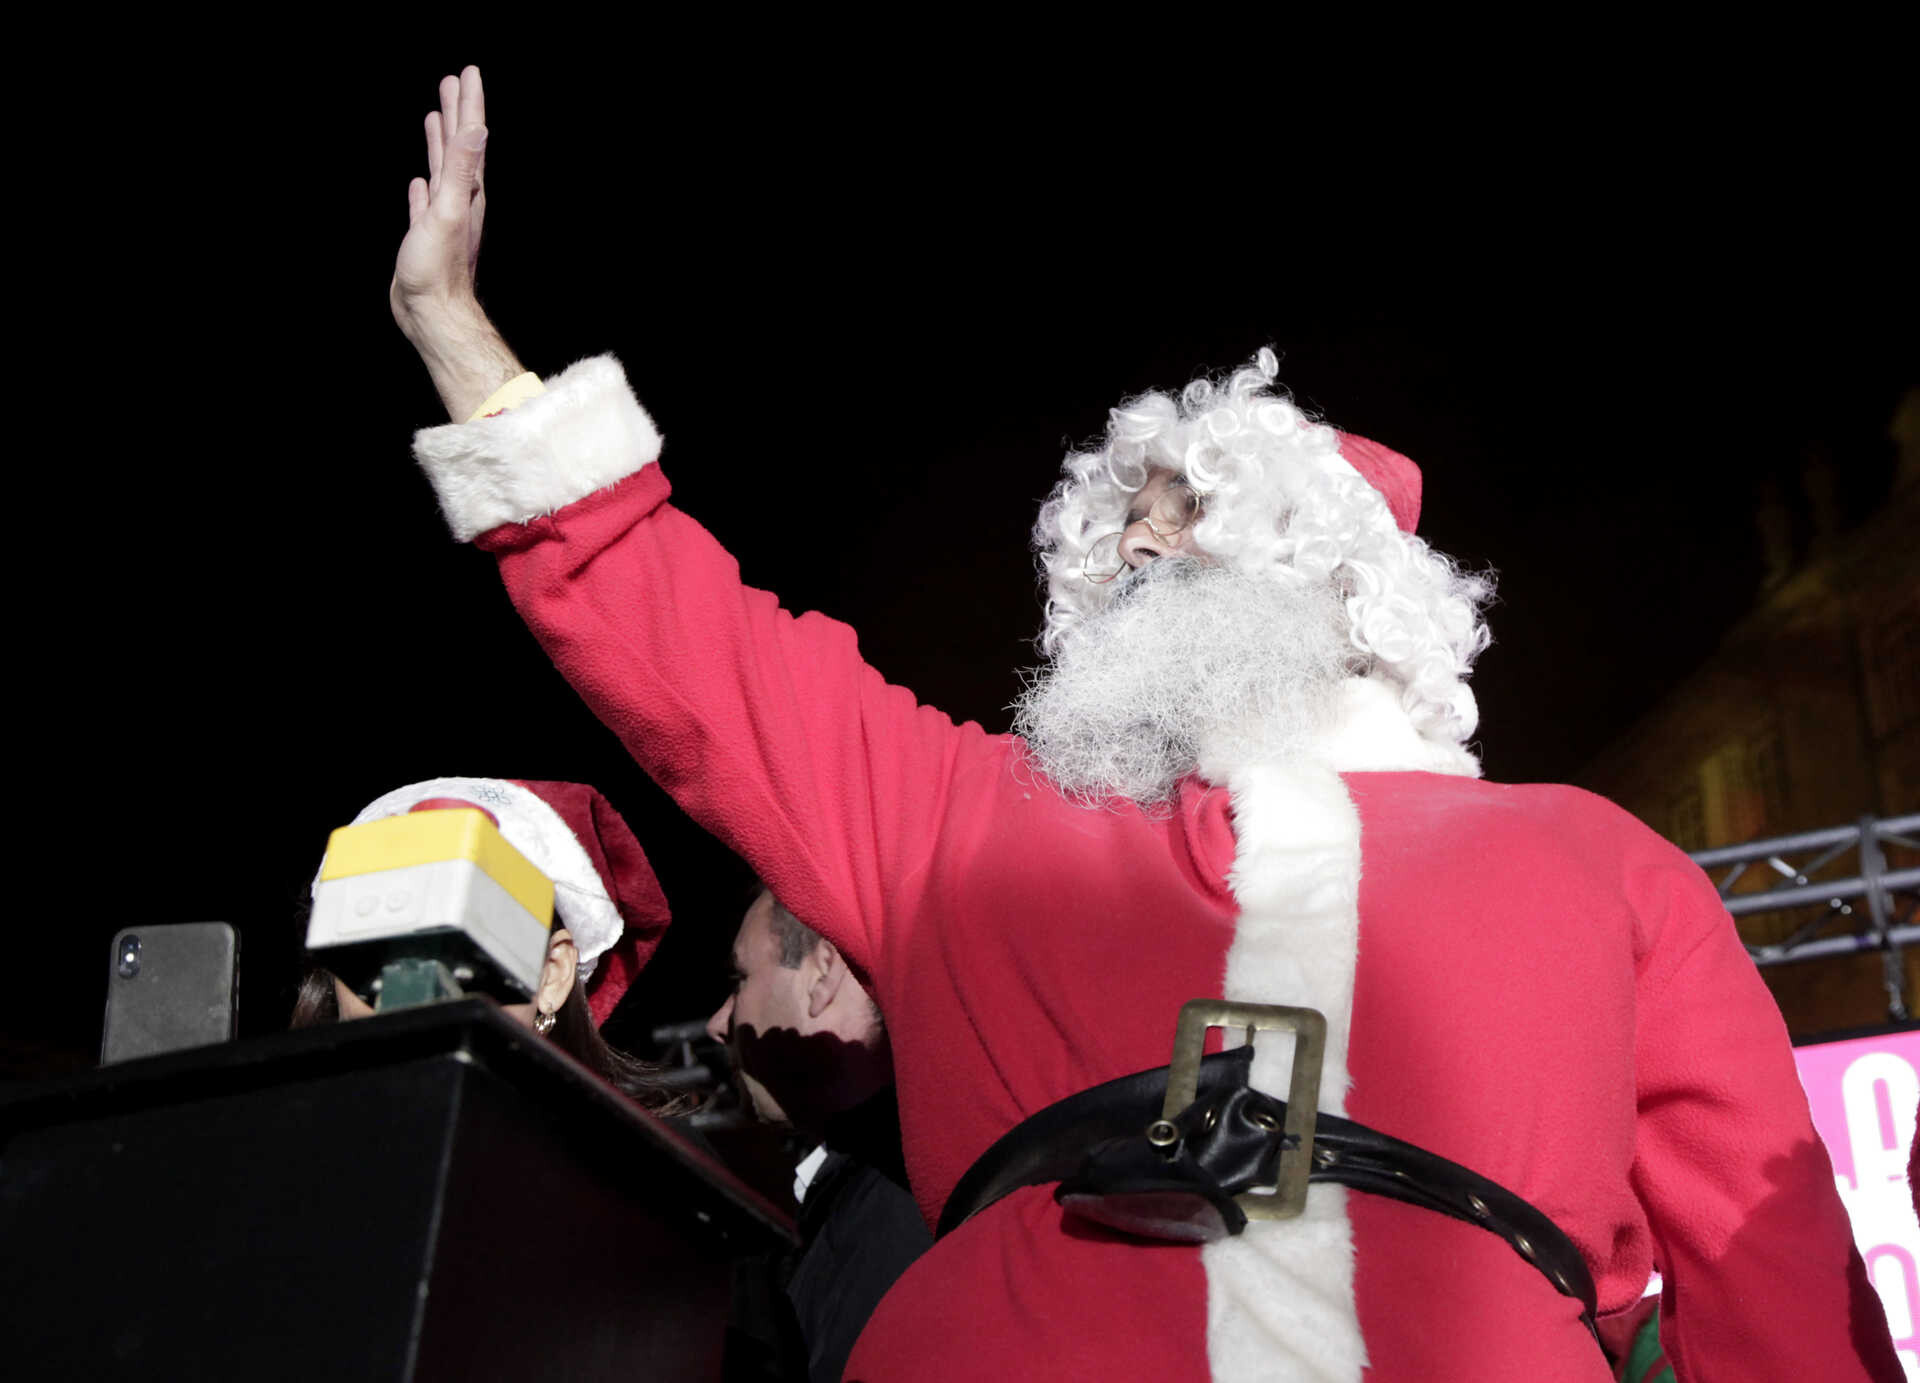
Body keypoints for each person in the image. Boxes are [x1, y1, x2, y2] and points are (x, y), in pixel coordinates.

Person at [384, 68, 1900, 1382]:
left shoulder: (1597, 857)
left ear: (1340, 584)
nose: (1136, 553)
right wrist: (462, 341)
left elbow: (1774, 1290)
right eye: (1117, 532)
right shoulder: (960, 824)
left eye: (1191, 521)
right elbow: (704, 653)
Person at [292, 775, 685, 1112]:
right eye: (372, 942)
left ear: (552, 973)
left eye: (461, 941)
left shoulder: (636, 1174)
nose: (415, 977)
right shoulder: (267, 1145)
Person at [710, 889, 932, 1383]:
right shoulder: (899, 1184)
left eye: (740, 979)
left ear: (824, 971)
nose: (718, 1024)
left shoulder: (899, 1208)